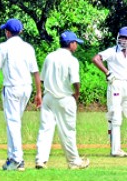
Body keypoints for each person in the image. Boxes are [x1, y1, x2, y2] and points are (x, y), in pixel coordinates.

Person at [0, 18, 42, 171]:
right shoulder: (28, 48)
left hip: (12, 87)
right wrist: (39, 92)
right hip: (26, 88)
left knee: (13, 123)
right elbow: (35, 71)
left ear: (7, 32)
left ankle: (18, 159)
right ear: (20, 31)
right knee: (14, 122)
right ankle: (11, 157)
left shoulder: (4, 47)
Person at [35, 31, 89, 170]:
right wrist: (77, 93)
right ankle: (73, 162)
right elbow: (75, 81)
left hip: (48, 98)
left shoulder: (50, 57)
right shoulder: (72, 60)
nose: (76, 45)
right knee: (68, 131)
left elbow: (41, 79)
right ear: (71, 44)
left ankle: (41, 160)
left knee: (45, 129)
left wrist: (39, 94)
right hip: (65, 98)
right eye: (75, 42)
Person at [92, 26, 127, 157]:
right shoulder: (112, 51)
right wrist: (107, 72)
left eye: (126, 38)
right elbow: (96, 59)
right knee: (116, 118)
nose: (123, 40)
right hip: (115, 84)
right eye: (122, 37)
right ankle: (115, 150)